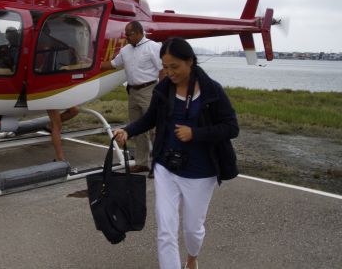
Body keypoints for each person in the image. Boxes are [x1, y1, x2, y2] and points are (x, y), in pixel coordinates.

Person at [113, 37, 239, 269]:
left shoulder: (212, 91)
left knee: (193, 229)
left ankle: (192, 257)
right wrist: (128, 131)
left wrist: (196, 133)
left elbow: (232, 128)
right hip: (166, 167)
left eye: (175, 66)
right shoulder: (163, 88)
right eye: (165, 67)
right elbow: (150, 118)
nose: (169, 72)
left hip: (201, 172)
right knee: (165, 229)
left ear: (190, 61)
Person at [101, 21, 163, 175]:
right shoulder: (126, 50)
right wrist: (92, 65)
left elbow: (162, 69)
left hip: (149, 90)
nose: (126, 37)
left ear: (138, 32)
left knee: (154, 129)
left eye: (128, 34)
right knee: (136, 128)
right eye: (125, 34)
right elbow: (114, 64)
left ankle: (158, 165)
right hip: (133, 92)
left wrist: (163, 90)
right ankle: (142, 163)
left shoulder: (153, 47)